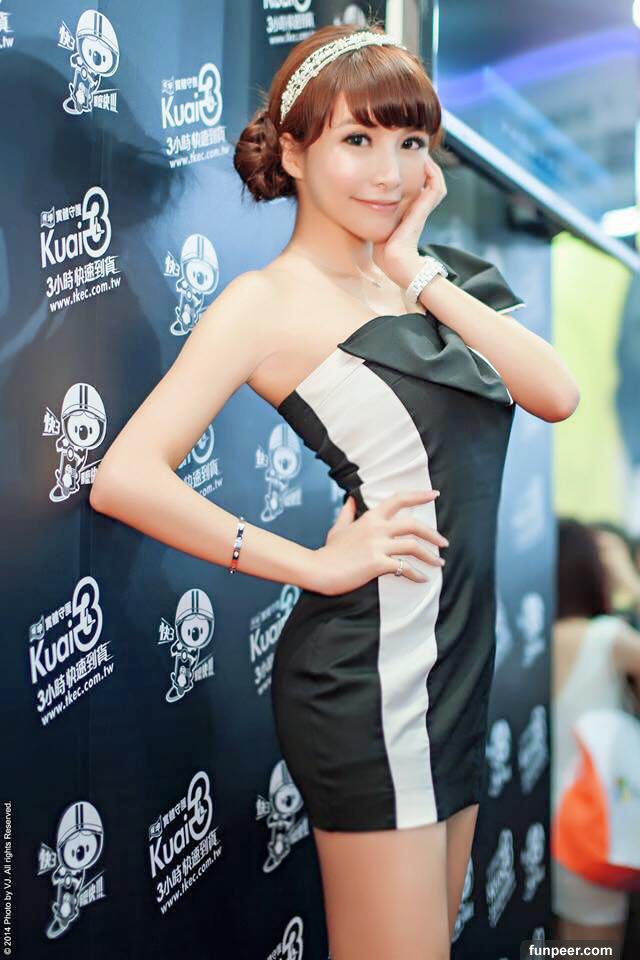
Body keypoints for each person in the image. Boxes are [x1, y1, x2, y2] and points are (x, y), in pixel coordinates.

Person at [90, 20, 580, 960]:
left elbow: (554, 393)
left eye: (410, 142)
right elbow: (124, 476)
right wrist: (311, 566)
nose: (389, 173)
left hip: (456, 666)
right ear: (294, 149)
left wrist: (416, 271)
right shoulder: (266, 302)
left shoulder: (434, 278)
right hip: (372, 674)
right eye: (358, 139)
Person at [551, 518, 640, 947]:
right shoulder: (607, 638)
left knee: (550, 945)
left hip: (532, 821)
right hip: (594, 823)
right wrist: (633, 586)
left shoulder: (525, 644)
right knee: (596, 948)